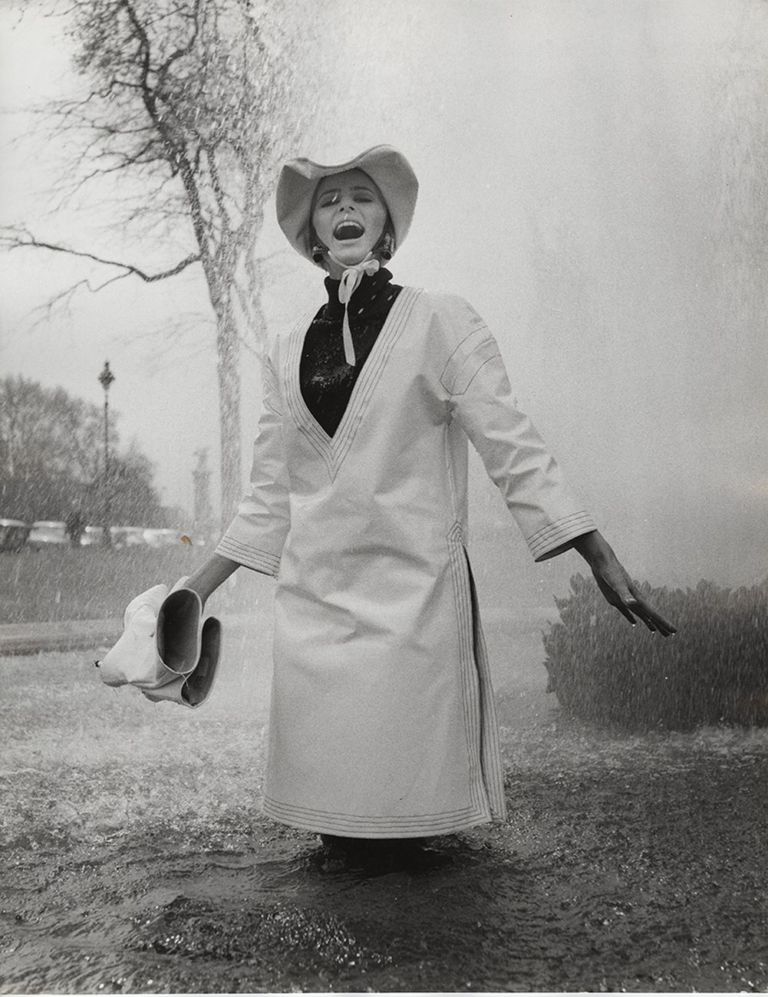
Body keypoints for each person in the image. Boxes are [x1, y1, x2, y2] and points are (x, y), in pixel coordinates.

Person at [181, 145, 675, 866]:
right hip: (314, 615)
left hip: (414, 609)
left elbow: (512, 444)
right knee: (336, 845)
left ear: (386, 227)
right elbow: (265, 505)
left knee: (408, 836)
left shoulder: (442, 320)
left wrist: (595, 551)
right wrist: (189, 595)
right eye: (328, 200)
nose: (344, 208)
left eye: (361, 196)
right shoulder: (284, 350)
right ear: (312, 234)